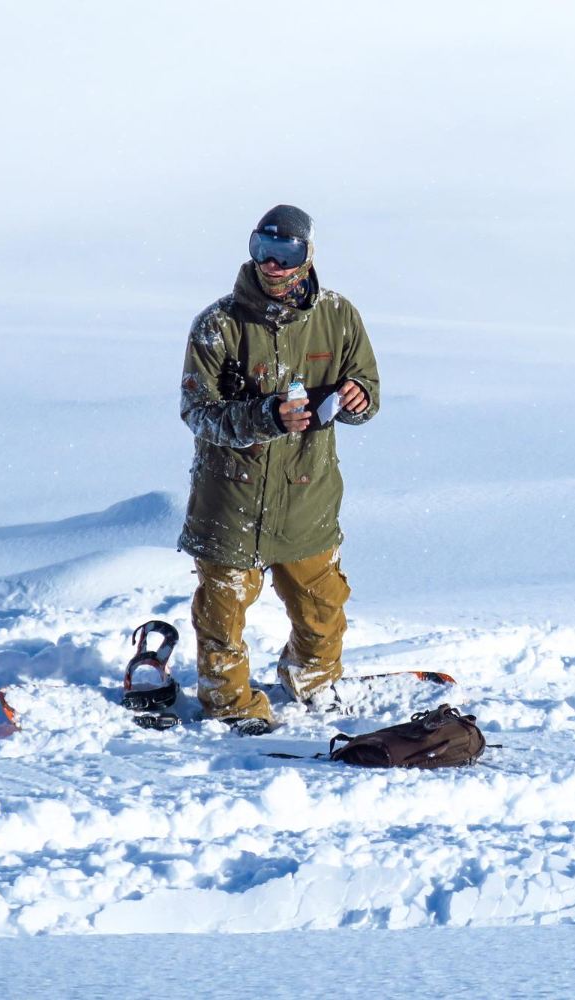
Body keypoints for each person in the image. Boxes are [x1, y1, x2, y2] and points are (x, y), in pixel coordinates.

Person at [177, 205, 380, 735]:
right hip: (231, 499)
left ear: (307, 255)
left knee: (321, 606)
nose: (271, 264)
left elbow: (369, 390)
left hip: (306, 496)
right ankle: (229, 703)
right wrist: (265, 415)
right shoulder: (217, 325)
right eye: (261, 250)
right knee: (221, 615)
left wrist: (357, 398)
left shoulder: (338, 316)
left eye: (285, 253)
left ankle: (312, 678)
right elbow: (197, 412)